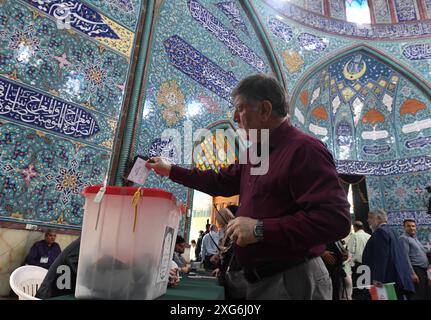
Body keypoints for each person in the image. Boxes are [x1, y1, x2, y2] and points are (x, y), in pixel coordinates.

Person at [146, 73, 351, 299]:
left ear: (264, 110)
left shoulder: (305, 150)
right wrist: (170, 170)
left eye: (240, 109)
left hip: (290, 280)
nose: (235, 117)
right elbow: (219, 181)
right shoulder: (257, 151)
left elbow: (335, 221)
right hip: (253, 279)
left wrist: (260, 229)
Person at [362, 209, 415, 300]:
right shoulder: (392, 231)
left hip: (387, 279)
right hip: (396, 277)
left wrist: (378, 277)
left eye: (370, 217)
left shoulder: (380, 232)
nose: (368, 220)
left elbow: (381, 256)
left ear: (378, 218)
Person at [400, 218, 430, 300]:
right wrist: (412, 273)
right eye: (408, 226)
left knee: (424, 294)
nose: (411, 228)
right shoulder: (404, 238)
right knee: (417, 296)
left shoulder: (414, 238)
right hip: (416, 271)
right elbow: (405, 257)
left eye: (413, 226)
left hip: (423, 271)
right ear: (404, 228)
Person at [347, 220, 371, 299]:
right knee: (366, 288)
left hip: (358, 266)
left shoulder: (354, 236)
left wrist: (351, 266)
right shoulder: (369, 236)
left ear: (354, 227)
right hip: (368, 266)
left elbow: (350, 252)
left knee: (358, 289)